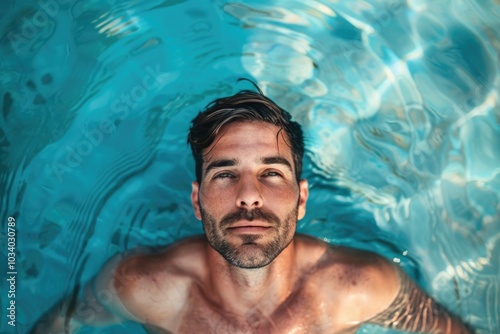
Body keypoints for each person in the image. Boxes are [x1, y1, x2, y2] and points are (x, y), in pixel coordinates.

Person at [32, 83, 472, 334]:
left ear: (301, 200)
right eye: (224, 174)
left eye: (271, 173)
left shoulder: (358, 288)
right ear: (197, 201)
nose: (248, 195)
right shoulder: (144, 286)